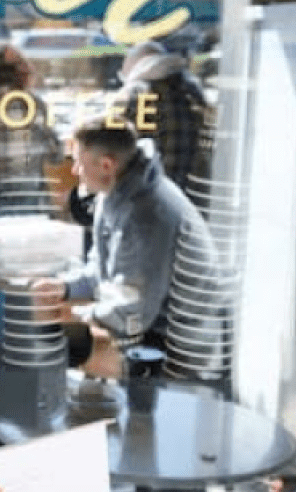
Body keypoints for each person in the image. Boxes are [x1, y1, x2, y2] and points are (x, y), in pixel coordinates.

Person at [30, 116, 219, 379]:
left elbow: (133, 314)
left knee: (58, 344)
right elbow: (102, 272)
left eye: (79, 162)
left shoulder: (147, 215)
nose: (73, 171)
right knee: (56, 334)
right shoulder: (114, 192)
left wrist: (75, 315)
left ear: (106, 165)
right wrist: (64, 288)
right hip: (148, 325)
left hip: (178, 348)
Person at [0, 41, 65, 218]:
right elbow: (55, 156)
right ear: (18, 72)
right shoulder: (31, 106)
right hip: (23, 202)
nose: (30, 68)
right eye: (24, 63)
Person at [113, 40, 210, 194]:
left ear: (134, 67)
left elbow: (109, 147)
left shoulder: (132, 93)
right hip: (190, 196)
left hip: (143, 197)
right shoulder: (193, 91)